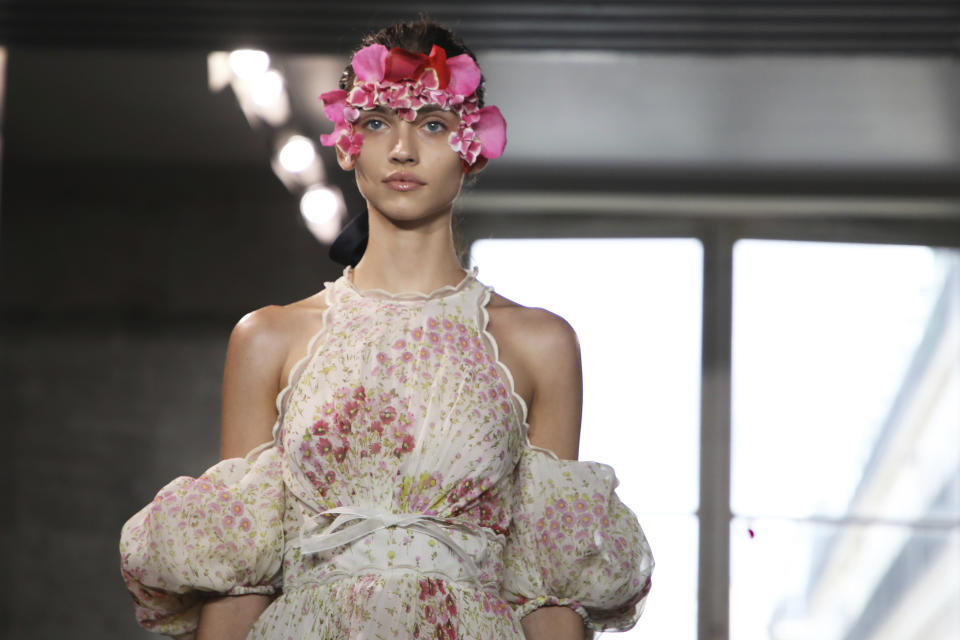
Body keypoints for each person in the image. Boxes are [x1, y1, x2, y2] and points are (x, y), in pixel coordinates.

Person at [120, 18, 653, 640]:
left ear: (472, 146)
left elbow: (550, 590)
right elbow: (242, 574)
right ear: (348, 144)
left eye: (433, 123)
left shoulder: (538, 344)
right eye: (378, 122)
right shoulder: (269, 337)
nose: (403, 149)